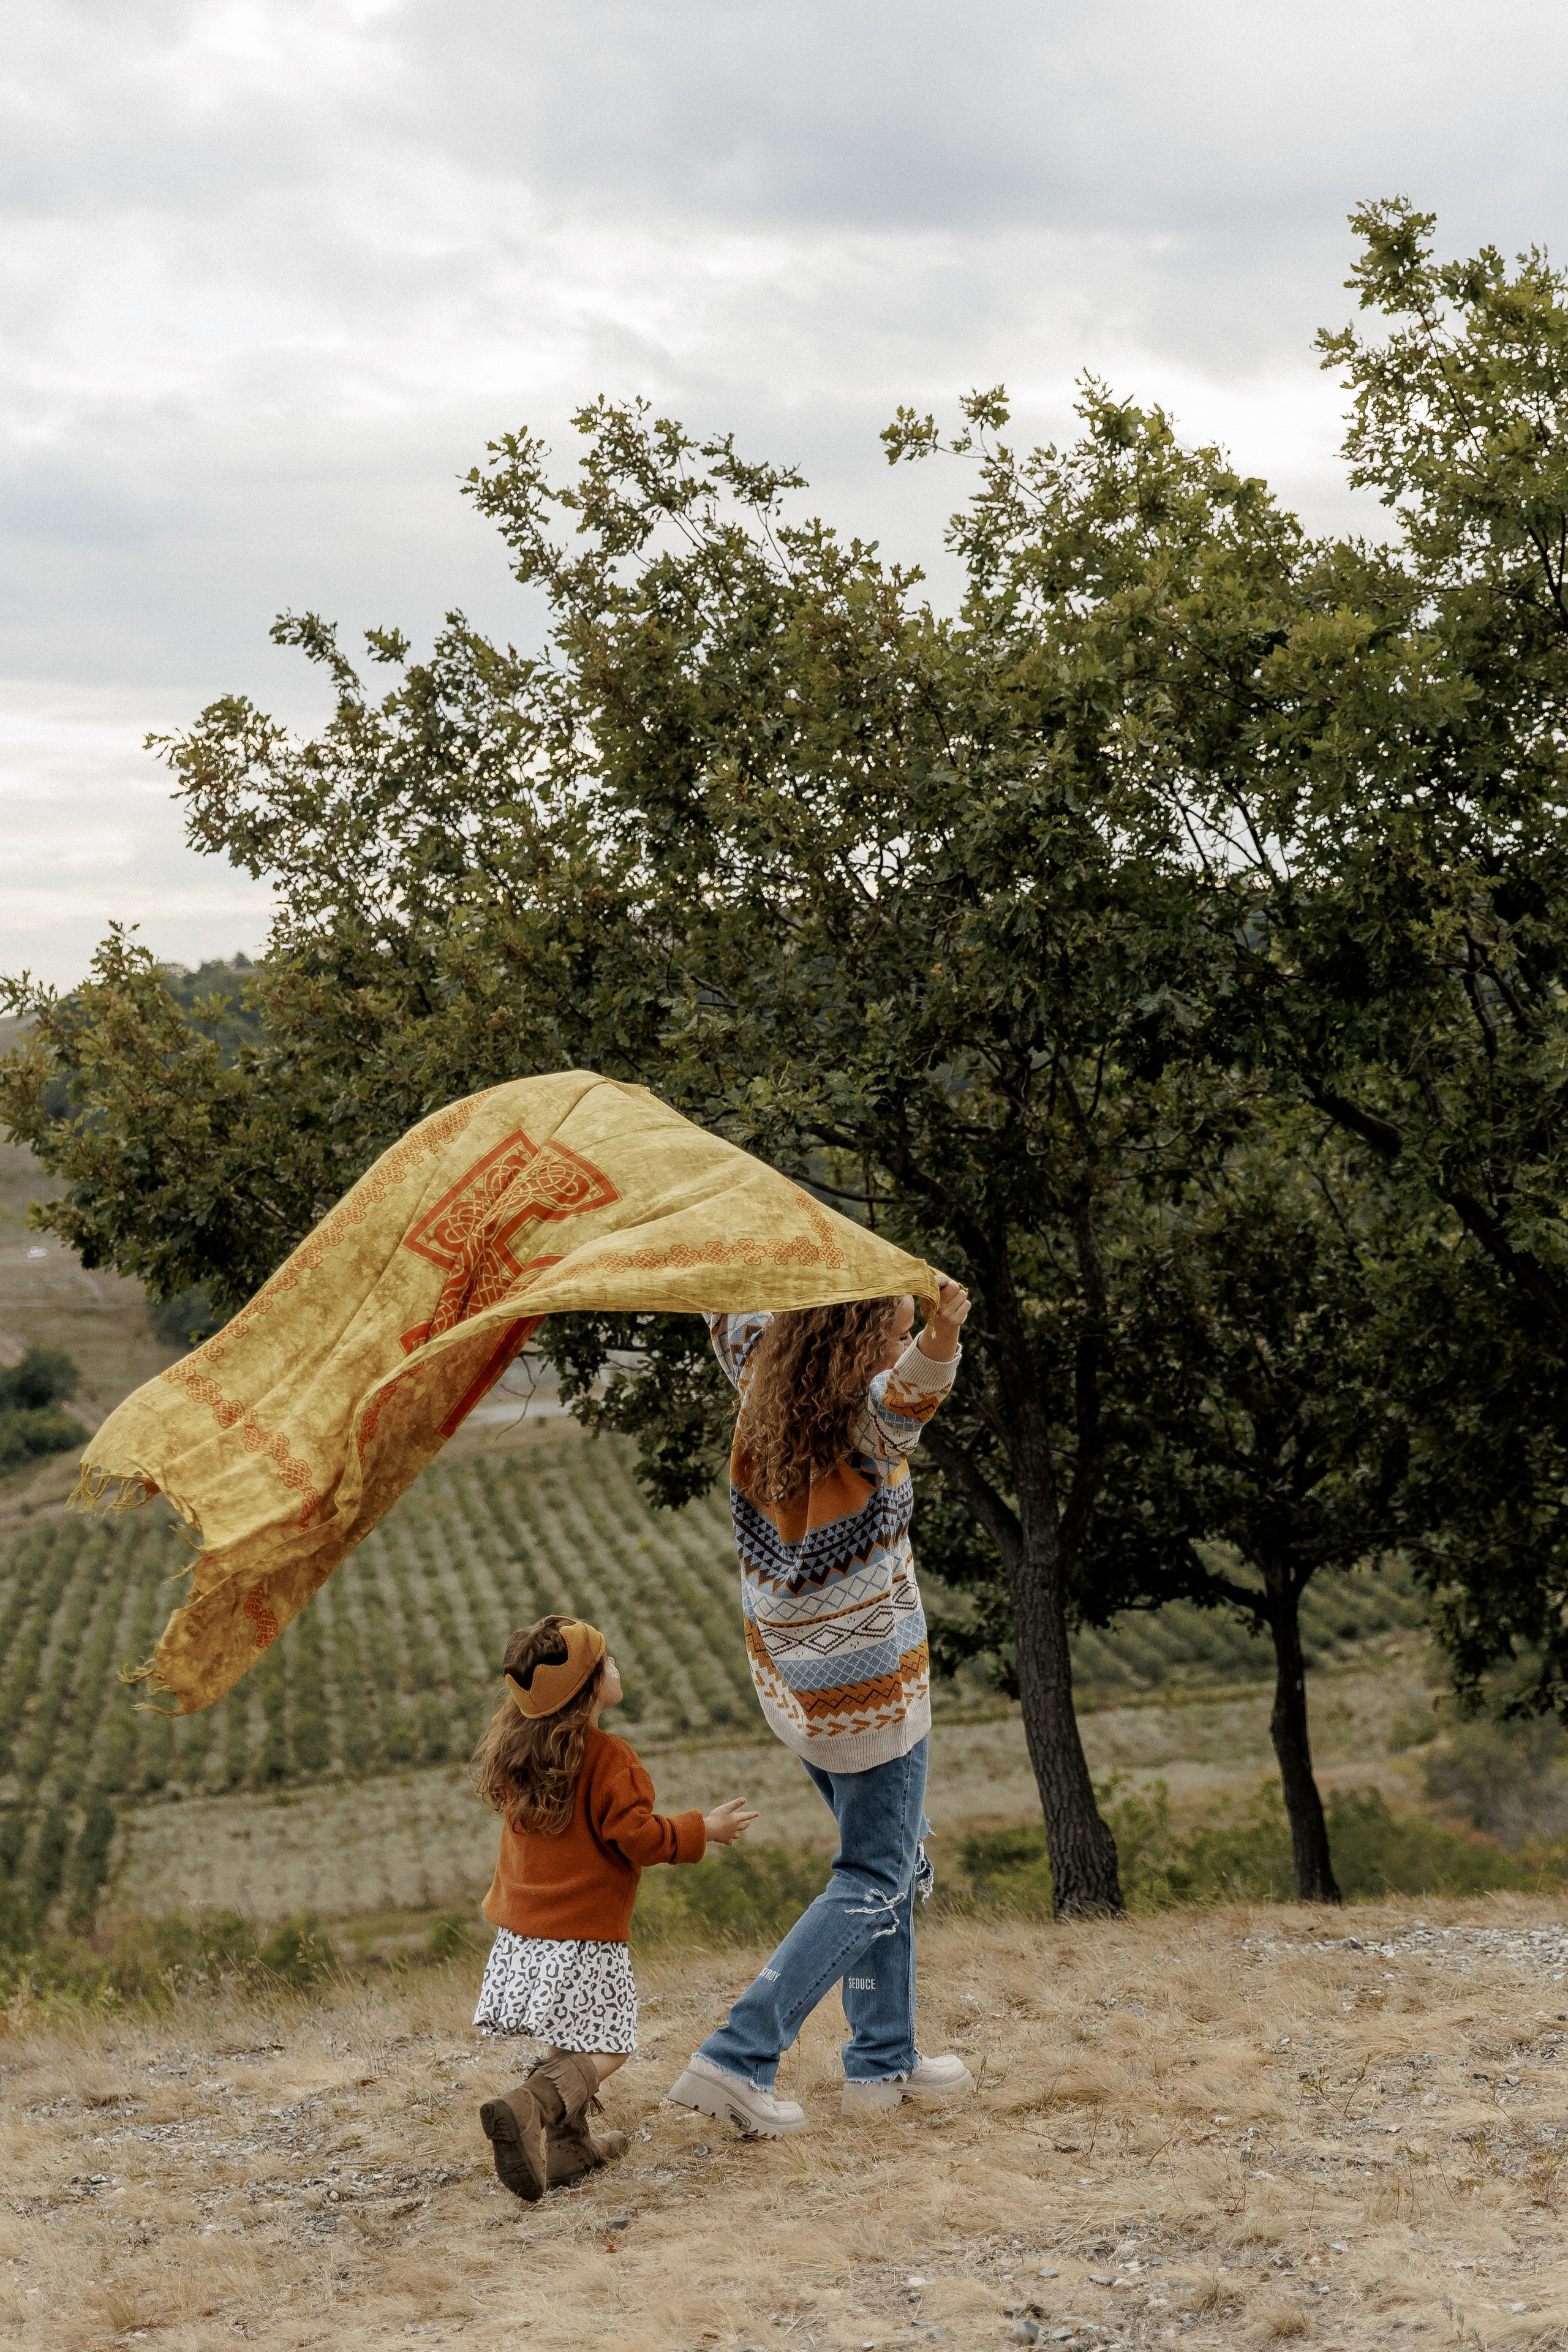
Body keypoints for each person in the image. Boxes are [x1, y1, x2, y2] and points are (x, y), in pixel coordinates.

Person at [668, 1278, 973, 2136]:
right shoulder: (868, 1427)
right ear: (861, 1338)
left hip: (797, 1682)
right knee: (875, 1878)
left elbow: (725, 1298)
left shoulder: (766, 1375)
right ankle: (738, 2056)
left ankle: (883, 2060)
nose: (901, 1340)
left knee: (895, 1858)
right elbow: (916, 1388)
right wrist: (946, 1328)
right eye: (896, 1328)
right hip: (872, 1693)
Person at [473, 1611, 755, 2200]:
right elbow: (639, 1838)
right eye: (606, 1663)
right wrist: (703, 1829)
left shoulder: (521, 1751)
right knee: (609, 2044)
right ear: (587, 1688)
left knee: (565, 2036)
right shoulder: (609, 1758)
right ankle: (533, 2105)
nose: (616, 1667)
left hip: (526, 1934)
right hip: (584, 1936)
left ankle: (571, 2147)